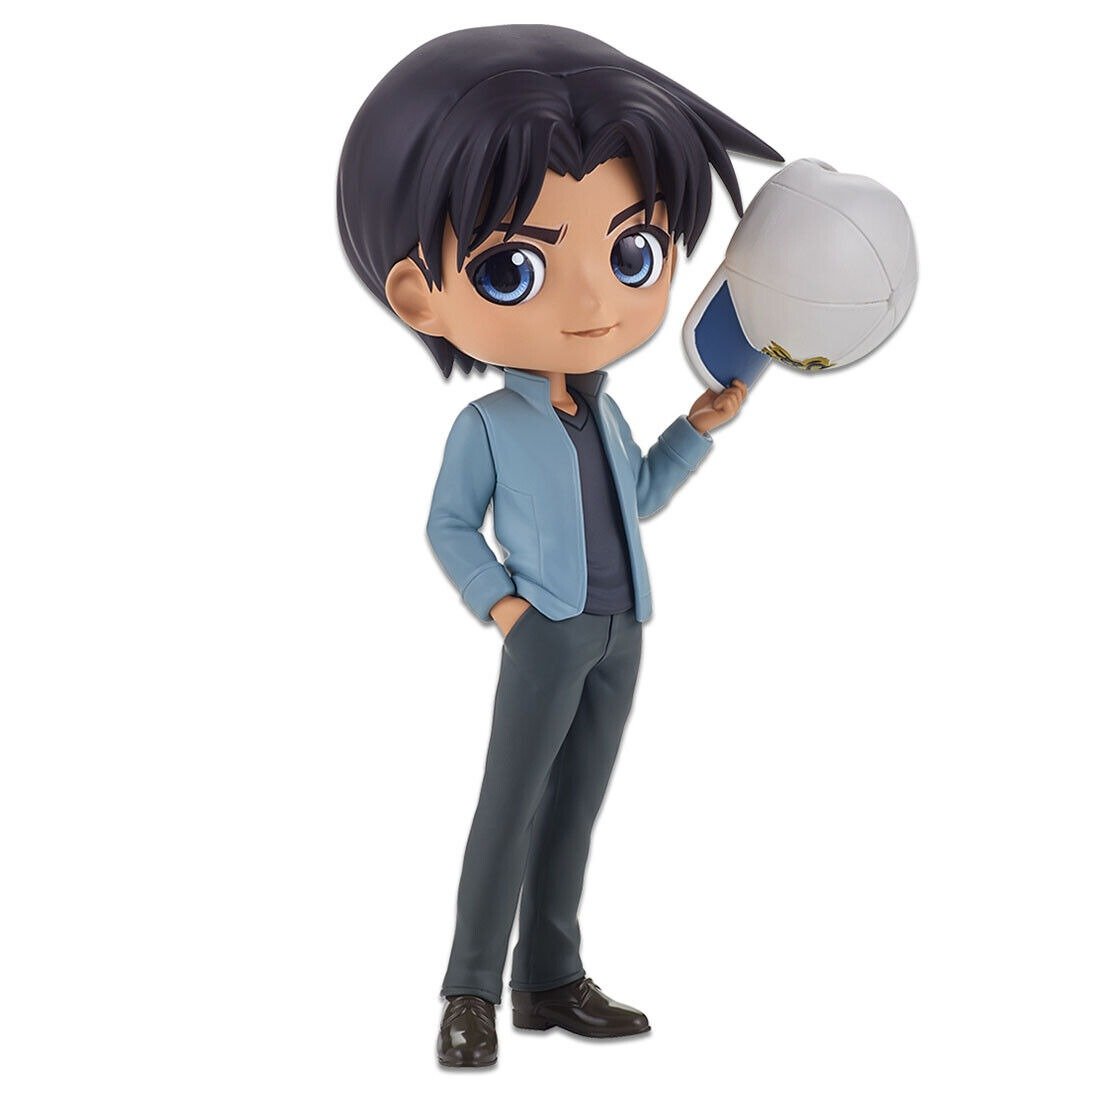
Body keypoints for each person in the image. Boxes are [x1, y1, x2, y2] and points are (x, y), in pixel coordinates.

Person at [336, 24, 781, 1068]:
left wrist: (695, 430)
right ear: (419, 293)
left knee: (574, 808)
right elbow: (447, 523)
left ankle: (548, 975)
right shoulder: (488, 424)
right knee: (508, 809)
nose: (592, 301)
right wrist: (502, 606)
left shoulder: (604, 412)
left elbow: (639, 495)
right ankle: (468, 992)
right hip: (545, 630)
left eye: (632, 254)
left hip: (622, 626)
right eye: (514, 267)